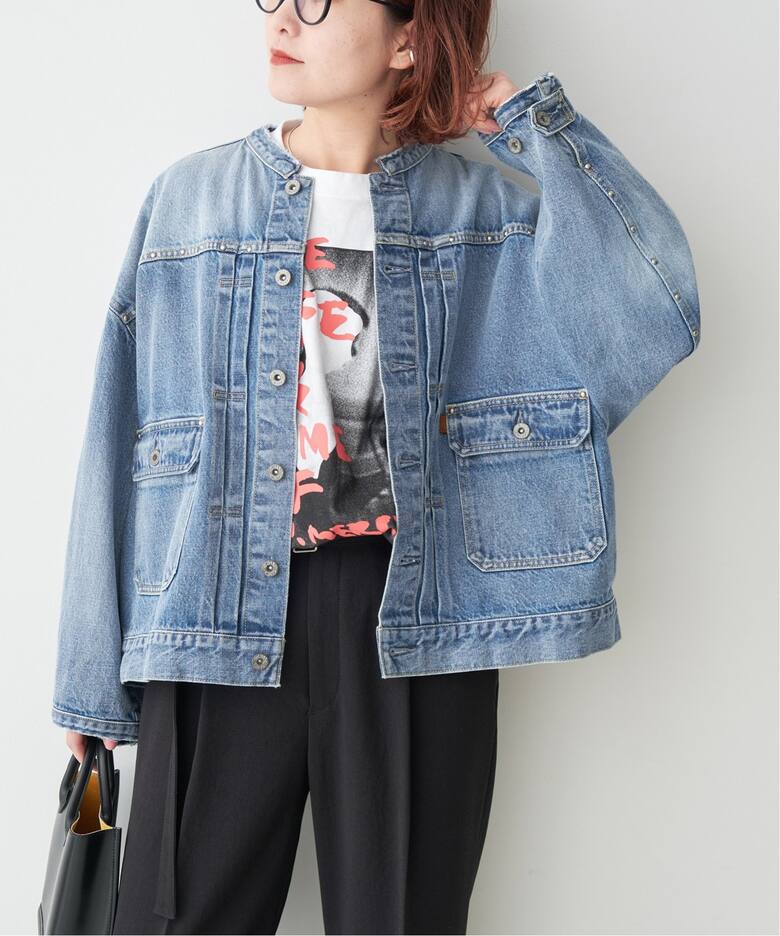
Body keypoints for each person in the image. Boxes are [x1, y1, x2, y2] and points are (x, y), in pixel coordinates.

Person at [54, 0, 701, 932]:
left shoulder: (487, 215)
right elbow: (119, 425)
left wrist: (532, 127)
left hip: (416, 618)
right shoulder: (192, 202)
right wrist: (89, 673)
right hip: (213, 613)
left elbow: (653, 310)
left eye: (318, 1)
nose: (284, 20)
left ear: (408, 38)